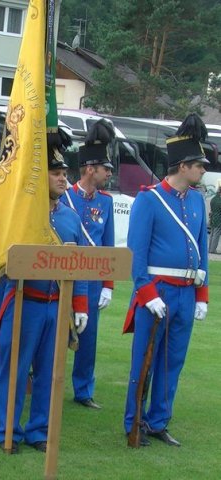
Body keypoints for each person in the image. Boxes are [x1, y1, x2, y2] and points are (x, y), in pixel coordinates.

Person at [0, 130, 88, 454]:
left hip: (56, 307)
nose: (63, 179)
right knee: (16, 371)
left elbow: (80, 264)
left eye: (65, 174)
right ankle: (7, 430)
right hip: (26, 302)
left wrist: (80, 305)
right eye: (57, 173)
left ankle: (38, 430)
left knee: (49, 374)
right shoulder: (22, 217)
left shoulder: (70, 218)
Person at [123, 113, 209, 447]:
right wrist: (146, 293)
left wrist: (201, 295)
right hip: (156, 292)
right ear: (184, 165)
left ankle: (159, 420)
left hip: (185, 294)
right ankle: (134, 421)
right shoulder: (149, 199)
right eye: (198, 165)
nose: (203, 170)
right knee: (143, 361)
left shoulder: (198, 202)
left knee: (173, 363)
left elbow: (201, 251)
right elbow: (136, 254)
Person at [60, 119, 115, 410]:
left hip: (92, 280)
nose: (109, 174)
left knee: (88, 338)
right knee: (52, 331)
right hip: (63, 275)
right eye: (106, 169)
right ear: (90, 169)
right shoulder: (63, 196)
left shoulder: (105, 202)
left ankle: (83, 389)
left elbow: (106, 246)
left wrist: (107, 284)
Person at [209, 180, 221, 254]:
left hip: (213, 218)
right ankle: (213, 249)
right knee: (216, 235)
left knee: (212, 234)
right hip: (218, 219)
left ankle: (210, 248)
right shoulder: (219, 201)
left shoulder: (213, 198)